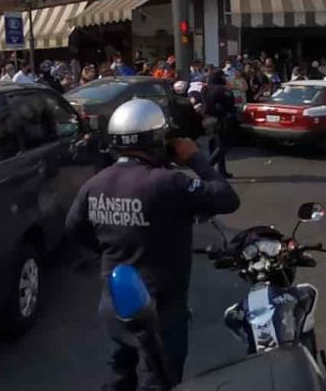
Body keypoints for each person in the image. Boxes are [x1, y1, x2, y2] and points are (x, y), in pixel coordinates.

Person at [65, 99, 240, 390]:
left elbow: (75, 228)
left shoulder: (94, 184)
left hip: (114, 302)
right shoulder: (168, 183)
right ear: (157, 140)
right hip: (160, 308)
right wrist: (195, 158)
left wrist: (112, 251)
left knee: (118, 377)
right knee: (158, 382)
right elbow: (227, 198)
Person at [204, 70, 236, 178]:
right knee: (222, 146)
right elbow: (231, 103)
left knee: (214, 146)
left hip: (208, 119)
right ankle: (206, 170)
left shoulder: (206, 89)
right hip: (220, 119)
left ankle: (222, 171)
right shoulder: (222, 90)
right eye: (223, 77)